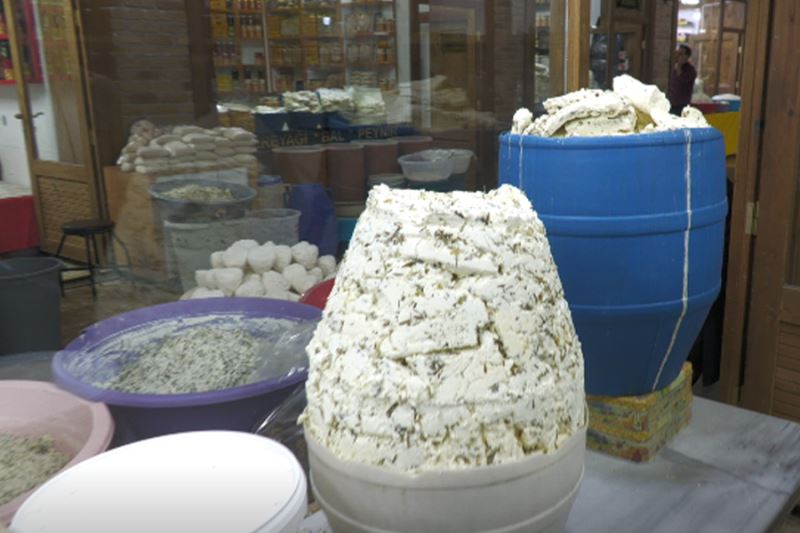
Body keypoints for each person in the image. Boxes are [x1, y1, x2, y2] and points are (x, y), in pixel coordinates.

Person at [668, 45, 697, 115]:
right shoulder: (672, 66)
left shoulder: (690, 70)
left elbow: (681, 80)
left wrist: (679, 66)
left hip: (681, 106)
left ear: (687, 56)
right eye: (677, 53)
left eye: (680, 54)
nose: (677, 56)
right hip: (670, 103)